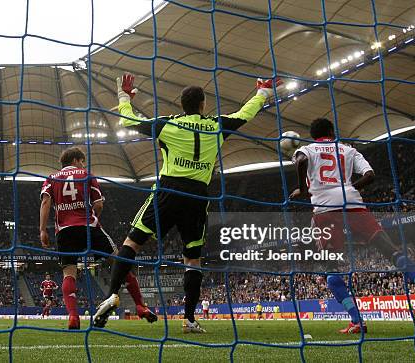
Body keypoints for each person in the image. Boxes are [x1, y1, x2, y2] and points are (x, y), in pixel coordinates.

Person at [93, 73, 280, 333]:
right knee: (193, 260)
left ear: (182, 105)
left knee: (132, 243)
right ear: (203, 105)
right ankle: (190, 319)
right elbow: (244, 113)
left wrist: (124, 95)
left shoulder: (167, 125)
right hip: (197, 196)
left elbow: (128, 120)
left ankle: (112, 294)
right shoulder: (217, 125)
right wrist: (264, 92)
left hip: (168, 190)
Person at [290, 117, 415, 333]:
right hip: (353, 204)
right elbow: (370, 175)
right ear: (332, 131)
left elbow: (301, 160)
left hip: (325, 210)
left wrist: (303, 191)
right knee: (392, 252)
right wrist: (350, 189)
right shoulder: (348, 150)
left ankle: (357, 320)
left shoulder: (308, 149)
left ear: (313, 135)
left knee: (332, 272)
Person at [40, 147, 157, 330]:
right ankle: (140, 306)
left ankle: (73, 317)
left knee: (69, 273)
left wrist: (42, 231)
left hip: (64, 231)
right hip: (89, 227)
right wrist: (92, 218)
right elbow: (99, 204)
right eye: (82, 161)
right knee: (120, 262)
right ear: (77, 160)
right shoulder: (87, 175)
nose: (83, 164)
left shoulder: (51, 178)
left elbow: (46, 202)